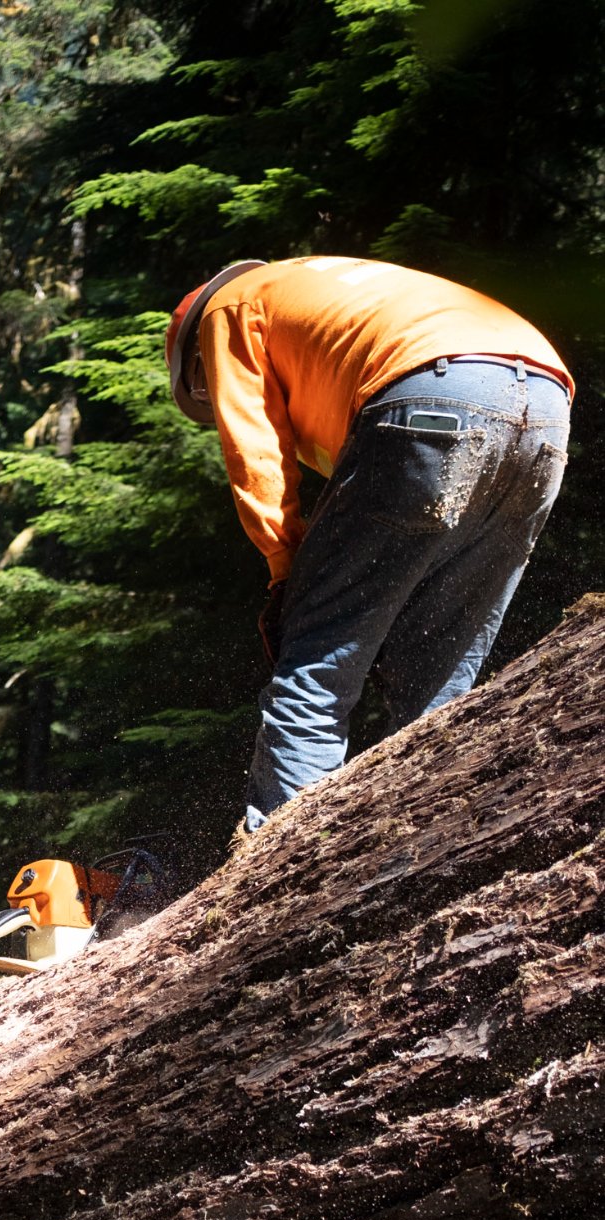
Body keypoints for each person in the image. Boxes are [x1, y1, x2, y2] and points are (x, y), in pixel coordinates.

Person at [164, 256, 573, 833]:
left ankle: (278, 854)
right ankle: (430, 837)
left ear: (196, 363)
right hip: (547, 404)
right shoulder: (317, 287)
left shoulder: (230, 306)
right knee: (441, 663)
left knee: (320, 659)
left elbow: (256, 454)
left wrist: (287, 572)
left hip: (426, 390)